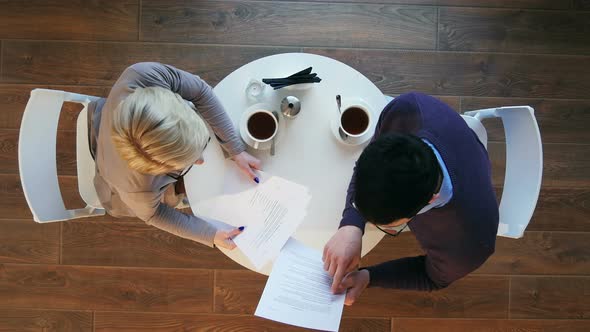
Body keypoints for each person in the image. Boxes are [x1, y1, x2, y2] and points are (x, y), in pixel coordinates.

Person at [322, 92, 499, 304]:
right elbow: (368, 160)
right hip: (455, 138)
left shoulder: (467, 245)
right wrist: (351, 223)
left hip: (474, 179)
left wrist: (370, 276)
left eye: (387, 227)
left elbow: (432, 278)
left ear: (430, 201)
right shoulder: (405, 109)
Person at [88, 62, 261, 249]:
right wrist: (210, 234)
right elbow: (154, 215)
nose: (202, 161)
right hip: (116, 179)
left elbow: (201, 93)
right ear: (160, 169)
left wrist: (236, 149)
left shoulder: (142, 75)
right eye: (187, 163)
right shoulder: (140, 190)